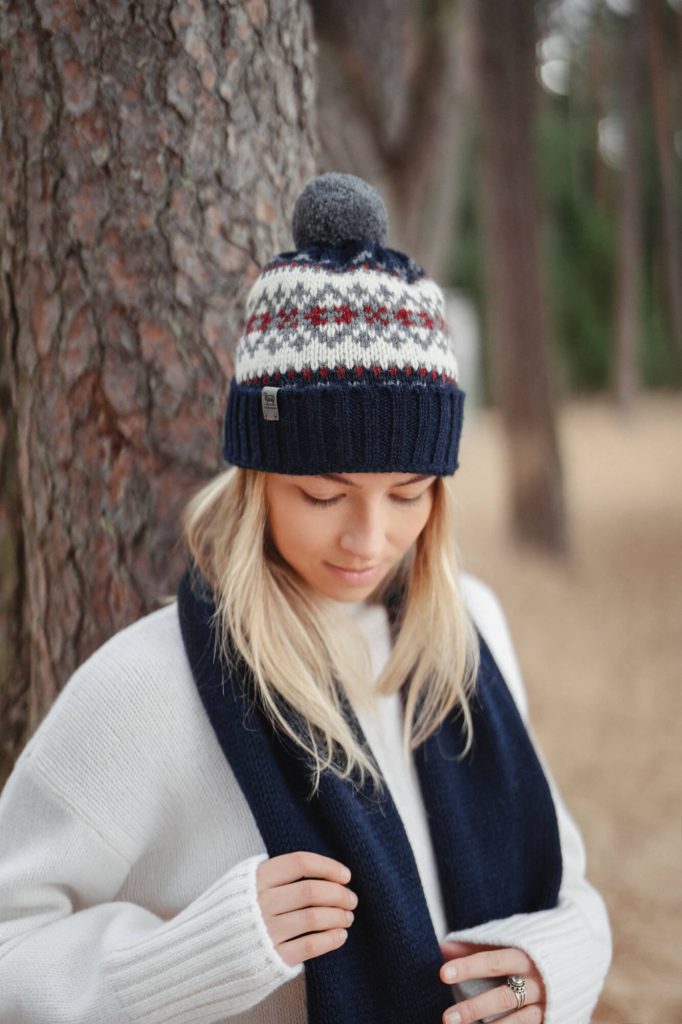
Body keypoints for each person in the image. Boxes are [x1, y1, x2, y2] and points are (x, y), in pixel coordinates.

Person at [0, 173, 611, 1024]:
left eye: (408, 494)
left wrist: (554, 970)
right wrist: (201, 956)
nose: (369, 538)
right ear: (258, 481)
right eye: (325, 495)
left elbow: (566, 880)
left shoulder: (470, 628)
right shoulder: (146, 686)